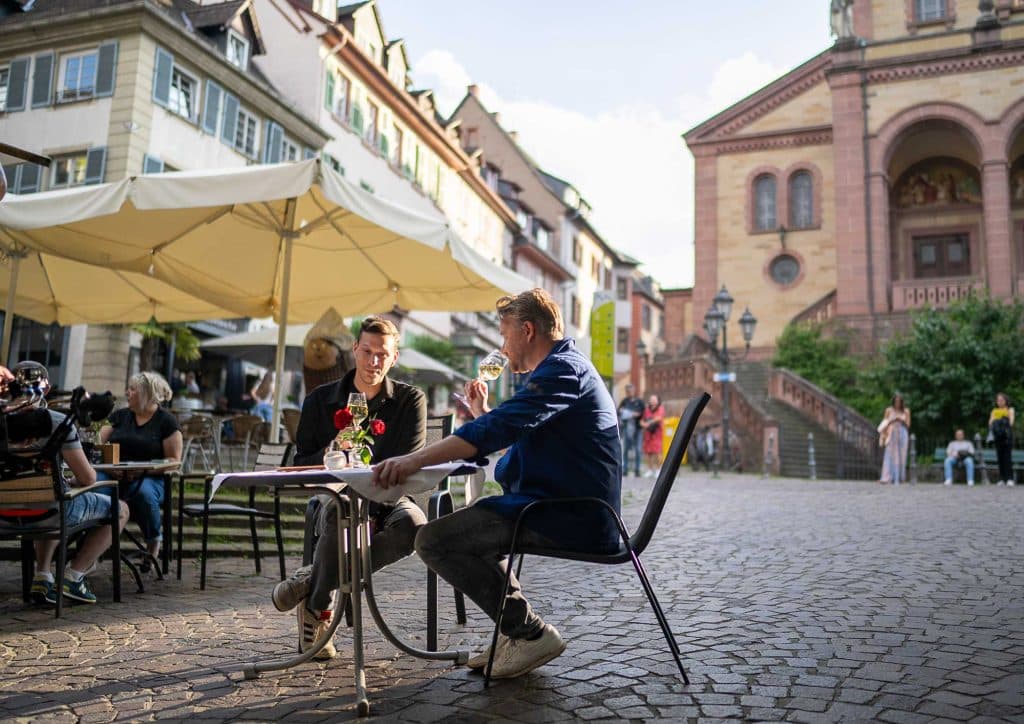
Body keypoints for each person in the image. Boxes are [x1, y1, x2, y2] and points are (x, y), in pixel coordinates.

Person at [373, 288, 622, 680]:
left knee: (433, 540)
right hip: (558, 504)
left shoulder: (562, 371)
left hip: (570, 514)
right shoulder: (558, 369)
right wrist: (483, 414)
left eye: (504, 336)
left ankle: (527, 633)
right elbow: (521, 429)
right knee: (471, 529)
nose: (502, 349)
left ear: (527, 330)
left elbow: (499, 430)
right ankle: (515, 630)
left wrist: (414, 459)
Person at [270, 315, 427, 660]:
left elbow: (406, 462)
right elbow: (301, 464)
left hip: (389, 499)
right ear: (354, 349)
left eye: (382, 355)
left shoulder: (410, 400)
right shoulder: (320, 400)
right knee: (337, 513)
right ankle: (320, 608)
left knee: (414, 527)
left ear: (394, 357)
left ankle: (312, 580)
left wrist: (371, 503)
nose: (373, 362)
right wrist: (330, 452)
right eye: (367, 351)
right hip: (335, 496)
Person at [0, 362, 129, 605]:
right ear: (46, 391)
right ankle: (74, 575)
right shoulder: (58, 422)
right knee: (120, 509)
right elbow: (88, 478)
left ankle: (43, 575)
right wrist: (67, 479)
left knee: (52, 494)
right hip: (49, 512)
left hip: (3, 513)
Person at [99, 372, 182, 564]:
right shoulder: (119, 416)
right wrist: (110, 469)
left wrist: (144, 470)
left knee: (143, 493)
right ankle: (89, 547)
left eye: (132, 389)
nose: (127, 392)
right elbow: (98, 445)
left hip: (153, 478)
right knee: (94, 487)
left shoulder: (166, 421)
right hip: (115, 475)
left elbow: (174, 461)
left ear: (146, 393)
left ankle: (153, 542)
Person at [878, 393, 911, 485]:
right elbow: (884, 423)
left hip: (902, 433)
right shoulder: (888, 410)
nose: (897, 403)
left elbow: (908, 425)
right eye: (896, 401)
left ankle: (900, 477)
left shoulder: (906, 411)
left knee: (901, 456)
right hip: (891, 432)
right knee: (889, 454)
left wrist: (901, 420)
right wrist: (892, 421)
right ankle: (887, 477)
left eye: (899, 402)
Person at [988, 392, 1016, 486]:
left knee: (1007, 458)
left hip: (1007, 437)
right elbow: (990, 423)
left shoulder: (1010, 409)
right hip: (998, 437)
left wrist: (1000, 419)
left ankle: (1010, 478)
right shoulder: (994, 410)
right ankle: (1002, 479)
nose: (999, 402)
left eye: (1001, 400)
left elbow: (1011, 422)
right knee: (1000, 458)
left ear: (1005, 401)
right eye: (998, 400)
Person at [617, 384, 644, 477]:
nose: (629, 393)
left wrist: (633, 414)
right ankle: (625, 469)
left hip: (637, 429)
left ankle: (637, 470)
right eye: (627, 391)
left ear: (634, 391)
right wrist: (622, 411)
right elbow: (619, 411)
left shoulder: (639, 402)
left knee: (638, 450)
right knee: (626, 450)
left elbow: (642, 413)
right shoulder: (624, 401)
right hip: (626, 429)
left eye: (631, 391)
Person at [639, 394, 665, 477]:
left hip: (657, 433)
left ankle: (658, 469)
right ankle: (650, 469)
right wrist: (644, 425)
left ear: (658, 401)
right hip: (648, 434)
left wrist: (649, 422)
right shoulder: (647, 410)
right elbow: (641, 421)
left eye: (654, 399)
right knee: (647, 452)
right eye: (651, 399)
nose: (652, 401)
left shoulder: (660, 408)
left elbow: (659, 418)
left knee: (657, 452)